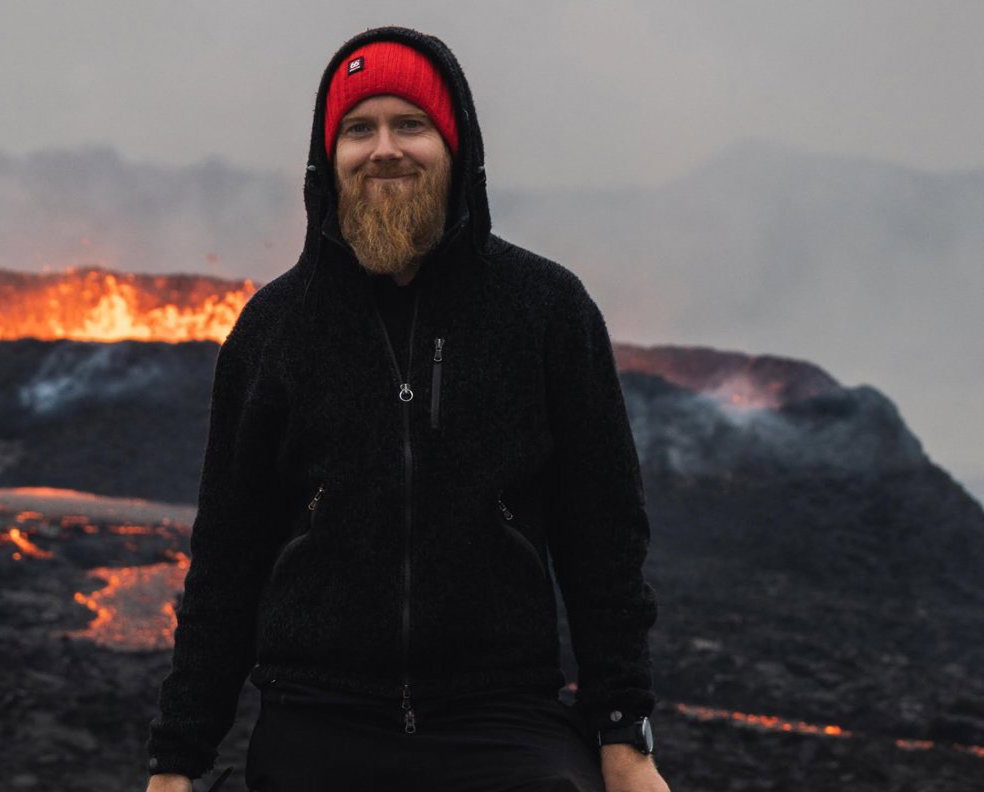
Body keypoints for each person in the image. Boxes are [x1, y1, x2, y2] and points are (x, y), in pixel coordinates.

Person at [145, 26, 667, 792]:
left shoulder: (545, 310)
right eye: (359, 129)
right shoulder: (275, 329)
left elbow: (605, 538)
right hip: (317, 720)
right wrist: (176, 761)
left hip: (503, 720)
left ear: (455, 147)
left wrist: (625, 737)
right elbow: (228, 554)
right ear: (330, 158)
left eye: (410, 124)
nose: (384, 148)